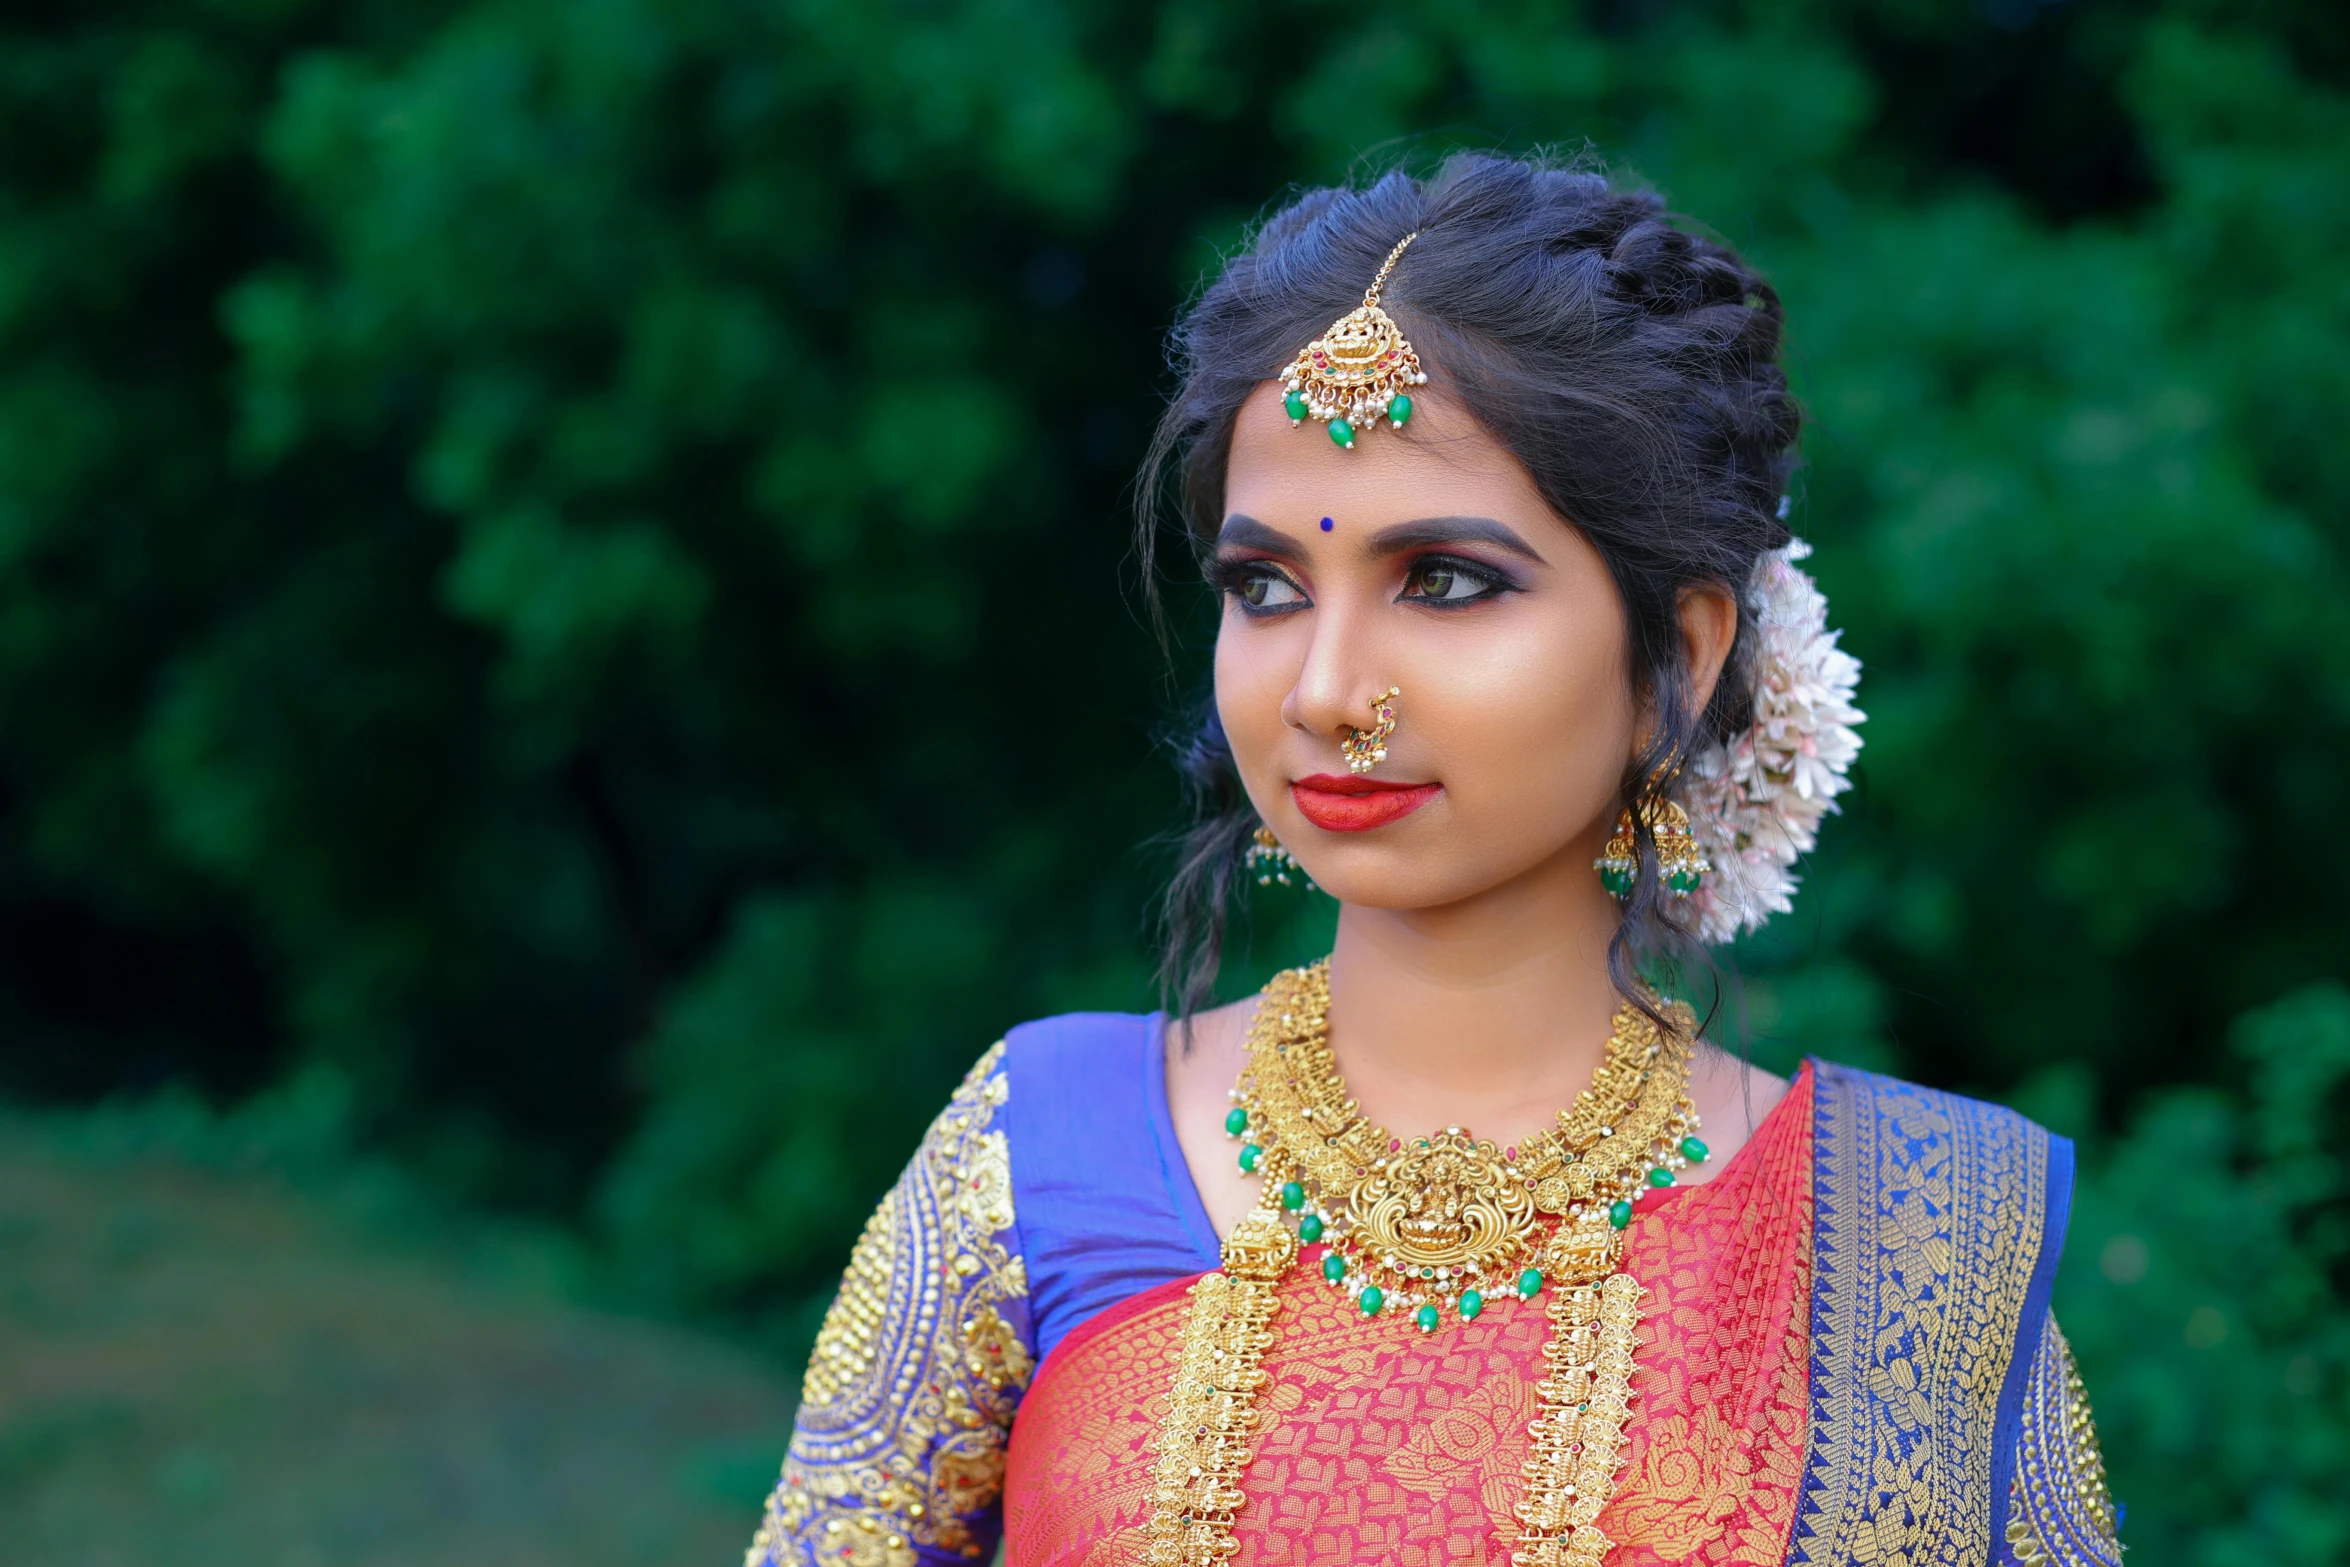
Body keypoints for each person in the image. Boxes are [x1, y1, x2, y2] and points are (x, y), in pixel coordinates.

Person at [742, 153, 2121, 1567]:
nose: (1326, 689)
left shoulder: (1905, 1240)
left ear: (1681, 655)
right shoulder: (1038, 1146)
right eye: (1264, 587)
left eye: (1445, 581)